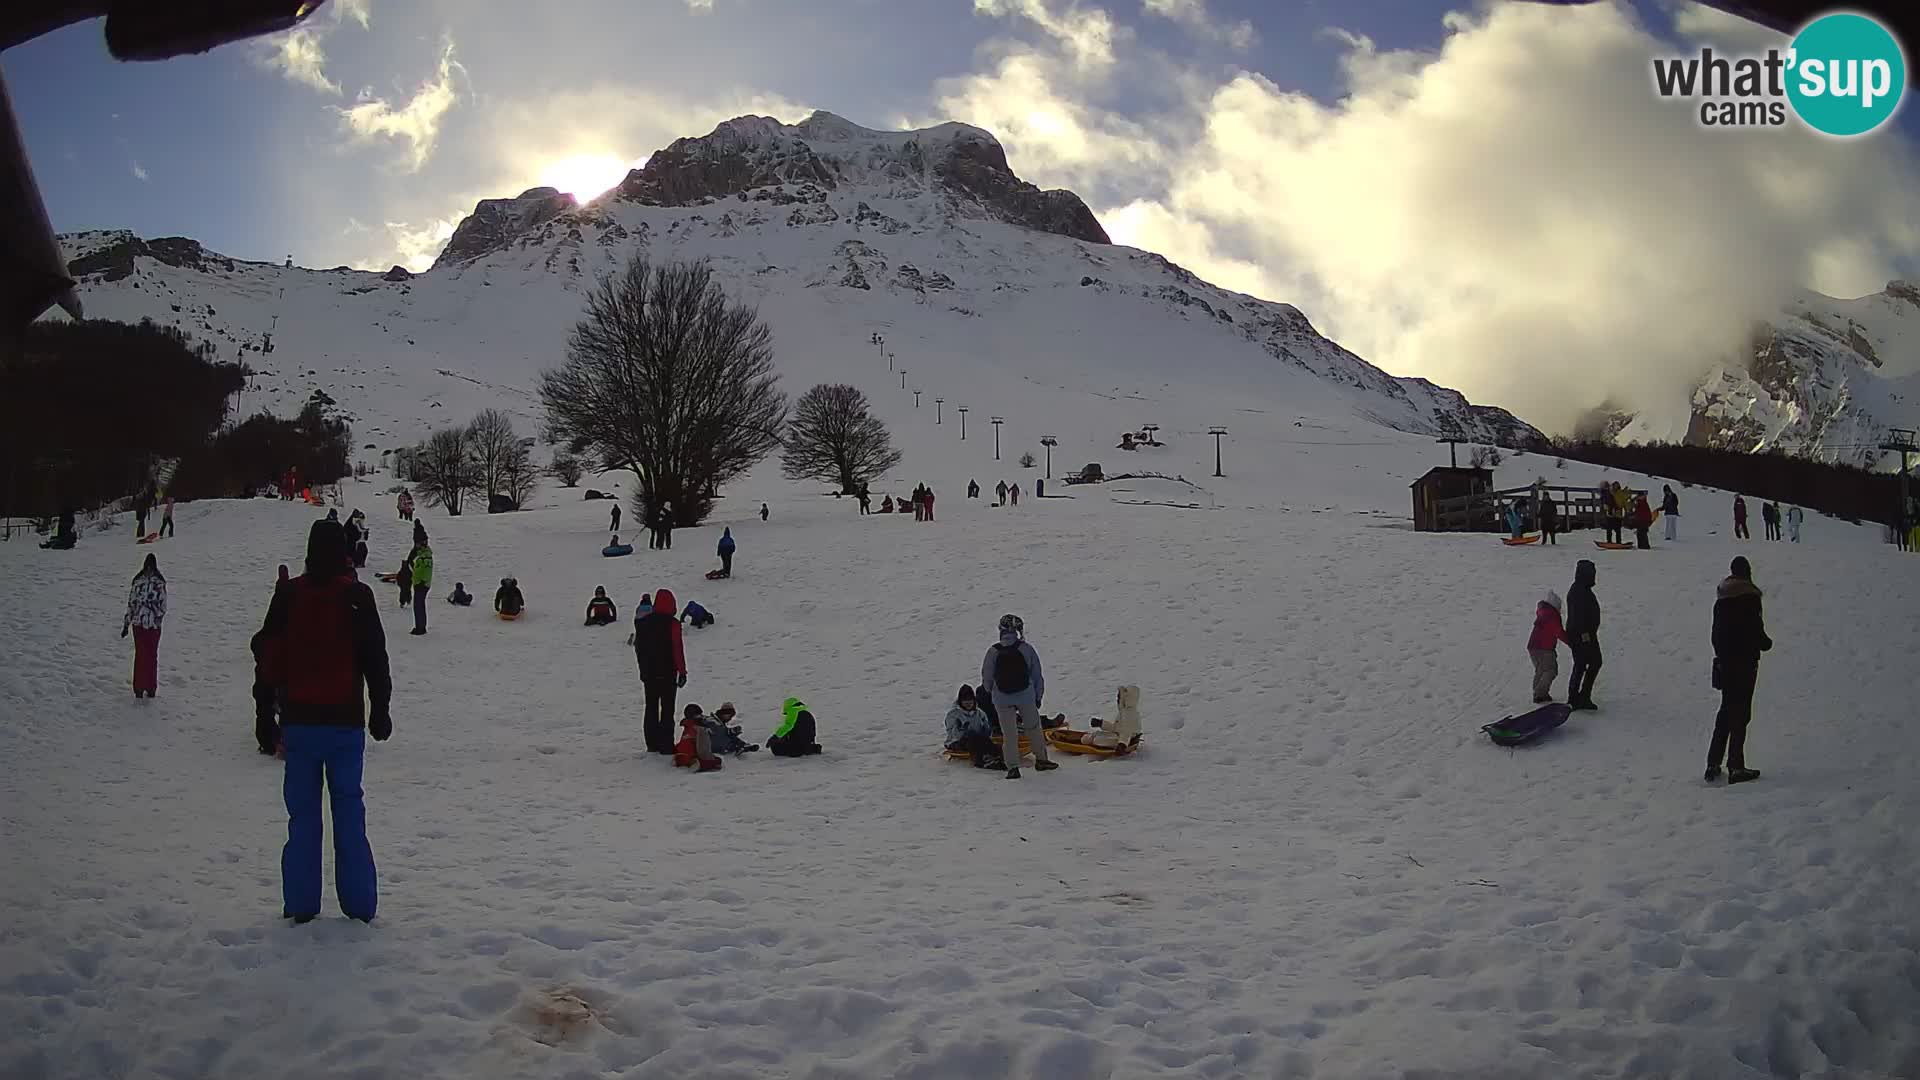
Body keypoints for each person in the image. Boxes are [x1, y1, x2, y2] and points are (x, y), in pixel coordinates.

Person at [253, 519, 392, 924]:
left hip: (299, 724)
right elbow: (375, 659)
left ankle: (300, 905)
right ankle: (360, 906)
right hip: (345, 724)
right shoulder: (357, 596)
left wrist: (264, 715)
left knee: (303, 819)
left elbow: (267, 660)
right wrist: (380, 709)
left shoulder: (289, 595)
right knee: (349, 813)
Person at [1707, 556, 1772, 784]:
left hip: (1725, 663)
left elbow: (1716, 634)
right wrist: (1765, 643)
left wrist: (1722, 656)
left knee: (1725, 711)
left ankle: (1713, 763)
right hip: (1745, 663)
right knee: (1741, 713)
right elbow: (1755, 630)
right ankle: (1736, 765)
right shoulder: (1749, 598)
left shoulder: (1722, 599)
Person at [981, 614, 1056, 778]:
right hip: (1025, 695)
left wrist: (991, 692)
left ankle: (1013, 767)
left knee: (1009, 733)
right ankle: (1042, 760)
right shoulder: (1026, 648)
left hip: (1002, 698)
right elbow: (1036, 674)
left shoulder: (993, 651)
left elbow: (987, 677)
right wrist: (1037, 696)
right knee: (1033, 728)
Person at [634, 588, 688, 753]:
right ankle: (666, 744)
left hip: (649, 673)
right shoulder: (673, 624)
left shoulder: (644, 622)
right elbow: (677, 648)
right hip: (667, 673)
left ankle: (652, 744)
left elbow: (639, 648)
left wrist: (643, 670)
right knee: (667, 708)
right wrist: (682, 671)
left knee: (651, 707)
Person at [122, 553, 168, 698]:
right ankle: (139, 688)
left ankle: (151, 687)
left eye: (151, 566)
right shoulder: (138, 582)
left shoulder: (159, 583)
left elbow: (163, 606)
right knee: (141, 656)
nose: (149, 569)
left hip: (153, 626)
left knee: (152, 656)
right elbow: (131, 603)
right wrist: (126, 623)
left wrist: (154, 614)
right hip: (139, 625)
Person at [1565, 560, 1602, 711]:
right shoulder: (1578, 591)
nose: (1594, 577)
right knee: (1586, 663)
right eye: (1592, 574)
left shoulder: (1582, 589)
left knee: (1586, 663)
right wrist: (1585, 636)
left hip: (1584, 634)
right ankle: (1577, 697)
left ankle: (1580, 696)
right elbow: (1578, 617)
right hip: (1581, 635)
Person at [944, 684, 1004, 769]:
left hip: (978, 739)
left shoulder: (979, 713)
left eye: (970, 700)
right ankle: (982, 760)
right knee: (972, 737)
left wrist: (986, 730)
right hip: (957, 742)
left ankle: (999, 756)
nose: (968, 703)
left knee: (984, 740)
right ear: (960, 701)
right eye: (965, 700)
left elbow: (987, 729)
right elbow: (952, 734)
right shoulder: (954, 714)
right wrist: (961, 730)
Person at [1526, 591, 1566, 704]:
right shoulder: (1551, 615)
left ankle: (1538, 693)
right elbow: (1558, 632)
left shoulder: (1543, 613)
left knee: (1541, 670)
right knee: (1551, 670)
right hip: (1544, 648)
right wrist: (1572, 643)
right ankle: (1540, 694)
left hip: (1533, 646)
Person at [408, 537, 433, 635]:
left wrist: (421, 582)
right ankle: (420, 626)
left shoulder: (425, 557)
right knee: (419, 606)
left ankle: (420, 628)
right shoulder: (423, 555)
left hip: (421, 584)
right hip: (420, 583)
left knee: (418, 607)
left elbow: (426, 571)